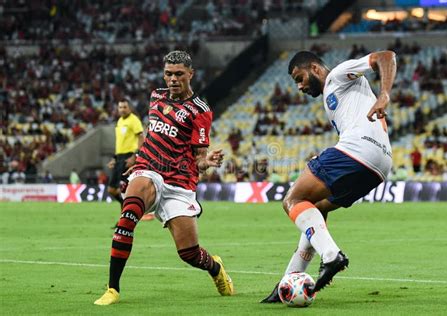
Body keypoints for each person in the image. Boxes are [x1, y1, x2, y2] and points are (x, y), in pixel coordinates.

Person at [94, 51, 234, 306]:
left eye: (179, 74)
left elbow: (199, 158)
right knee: (128, 216)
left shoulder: (200, 110)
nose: (172, 79)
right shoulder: (156, 96)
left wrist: (207, 162)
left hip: (180, 182)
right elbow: (153, 132)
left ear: (190, 74)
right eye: (168, 73)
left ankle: (215, 268)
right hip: (148, 169)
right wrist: (139, 156)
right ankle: (113, 288)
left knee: (189, 253)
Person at [261, 49, 396, 303]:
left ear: (314, 68)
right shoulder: (333, 96)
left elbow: (386, 56)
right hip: (380, 164)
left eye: (299, 78)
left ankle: (332, 255)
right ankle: (289, 280)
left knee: (293, 200)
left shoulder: (337, 75)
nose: (299, 86)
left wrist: (384, 94)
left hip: (358, 150)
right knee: (315, 209)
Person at [107, 99, 144, 208]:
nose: (122, 110)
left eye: (124, 107)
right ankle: (126, 208)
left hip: (129, 157)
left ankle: (129, 215)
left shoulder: (134, 120)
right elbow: (120, 141)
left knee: (126, 189)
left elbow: (141, 137)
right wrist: (114, 158)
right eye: (120, 107)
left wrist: (135, 156)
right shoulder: (120, 121)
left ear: (130, 108)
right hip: (119, 157)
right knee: (112, 189)